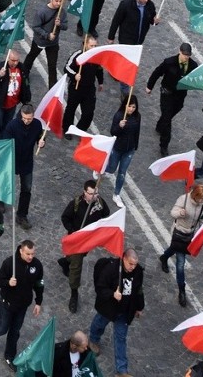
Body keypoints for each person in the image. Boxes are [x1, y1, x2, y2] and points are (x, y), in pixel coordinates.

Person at [0, 239, 44, 361]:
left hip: (23, 305)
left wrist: (38, 302)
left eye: (33, 254)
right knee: (2, 329)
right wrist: (8, 282)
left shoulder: (37, 265)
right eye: (28, 254)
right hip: (8, 303)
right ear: (21, 251)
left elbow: (39, 284)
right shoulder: (9, 263)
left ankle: (9, 356)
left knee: (15, 332)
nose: (31, 257)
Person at [88, 248, 145, 377]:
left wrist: (139, 307)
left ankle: (121, 370)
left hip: (125, 311)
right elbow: (100, 287)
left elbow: (139, 290)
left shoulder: (138, 271)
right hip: (109, 308)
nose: (133, 267)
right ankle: (93, 338)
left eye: (135, 264)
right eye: (130, 264)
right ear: (124, 259)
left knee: (121, 338)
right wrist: (112, 294)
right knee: (99, 323)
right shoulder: (111, 270)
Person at [59, 179, 111, 313]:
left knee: (77, 257)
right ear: (85, 193)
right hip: (77, 240)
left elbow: (106, 214)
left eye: (96, 193)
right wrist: (73, 231)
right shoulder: (76, 204)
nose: (95, 196)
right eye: (91, 193)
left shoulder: (99, 203)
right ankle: (74, 293)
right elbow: (65, 217)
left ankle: (65, 261)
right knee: (76, 266)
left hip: (90, 240)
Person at [160, 182, 203, 307]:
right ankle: (182, 290)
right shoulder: (183, 199)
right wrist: (180, 213)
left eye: (202, 199)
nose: (201, 201)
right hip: (179, 232)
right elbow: (173, 212)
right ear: (194, 195)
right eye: (199, 198)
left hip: (190, 235)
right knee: (180, 263)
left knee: (173, 249)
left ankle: (164, 257)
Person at [146, 42, 198, 154]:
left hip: (180, 96)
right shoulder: (169, 62)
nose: (186, 57)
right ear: (179, 52)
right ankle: (164, 145)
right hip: (167, 94)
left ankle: (160, 124)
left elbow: (196, 78)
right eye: (184, 55)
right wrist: (149, 86)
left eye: (188, 55)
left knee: (171, 113)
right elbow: (157, 73)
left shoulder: (193, 65)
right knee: (167, 119)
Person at [1, 102, 43, 230]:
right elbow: (6, 142)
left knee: (27, 189)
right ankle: (0, 200)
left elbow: (40, 137)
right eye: (24, 118)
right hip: (12, 159)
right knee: (5, 182)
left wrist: (42, 142)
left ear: (33, 116)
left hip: (26, 161)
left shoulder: (37, 124)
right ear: (21, 115)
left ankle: (22, 215)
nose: (26, 121)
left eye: (29, 119)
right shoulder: (12, 125)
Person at [22, 0, 67, 87]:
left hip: (53, 43)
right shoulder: (42, 12)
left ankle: (52, 89)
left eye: (60, 1)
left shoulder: (62, 11)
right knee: (31, 57)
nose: (58, 3)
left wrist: (60, 25)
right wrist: (47, 35)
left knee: (52, 65)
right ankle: (24, 74)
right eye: (56, 1)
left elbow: (66, 26)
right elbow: (36, 27)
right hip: (40, 41)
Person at [0, 49, 30, 143]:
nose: (16, 63)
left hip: (12, 104)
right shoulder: (0, 67)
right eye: (13, 60)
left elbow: (26, 83)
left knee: (5, 125)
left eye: (17, 60)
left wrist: (27, 98)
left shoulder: (22, 68)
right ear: (8, 59)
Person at [63, 35, 103, 134]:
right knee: (70, 110)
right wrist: (74, 75)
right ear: (84, 44)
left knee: (89, 113)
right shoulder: (77, 55)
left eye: (95, 46)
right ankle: (67, 129)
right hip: (76, 88)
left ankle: (80, 129)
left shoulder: (96, 56)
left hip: (89, 89)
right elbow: (67, 67)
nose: (93, 48)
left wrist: (101, 82)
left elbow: (99, 70)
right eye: (91, 46)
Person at [104, 96, 141, 200]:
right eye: (129, 106)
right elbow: (113, 132)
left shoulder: (138, 116)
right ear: (125, 105)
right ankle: (100, 170)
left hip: (129, 150)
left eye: (134, 107)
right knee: (111, 169)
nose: (131, 109)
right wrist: (120, 126)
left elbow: (137, 132)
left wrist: (135, 146)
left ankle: (116, 194)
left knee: (122, 173)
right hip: (117, 148)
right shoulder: (119, 115)